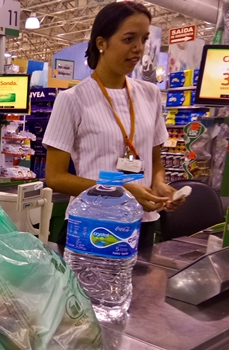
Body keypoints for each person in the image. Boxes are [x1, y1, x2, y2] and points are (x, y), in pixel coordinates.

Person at [43, 2, 185, 247]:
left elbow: (155, 162)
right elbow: (55, 177)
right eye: (129, 39)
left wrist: (160, 185)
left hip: (143, 222)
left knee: (141, 286)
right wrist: (122, 191)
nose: (138, 49)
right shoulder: (72, 99)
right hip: (92, 225)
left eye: (143, 39)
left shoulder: (150, 94)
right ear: (102, 43)